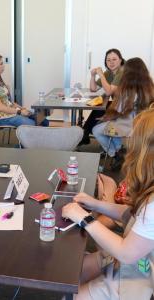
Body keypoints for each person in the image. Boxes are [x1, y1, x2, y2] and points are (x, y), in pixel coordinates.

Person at [62, 108, 154, 300]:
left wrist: (84, 219)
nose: (129, 149)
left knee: (72, 292)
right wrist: (97, 204)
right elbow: (131, 214)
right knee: (72, 272)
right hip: (136, 262)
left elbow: (126, 253)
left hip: (138, 278)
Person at [92, 57, 154, 168]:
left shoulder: (127, 90)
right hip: (144, 126)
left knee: (96, 129)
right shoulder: (150, 87)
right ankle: (120, 150)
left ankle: (114, 153)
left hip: (127, 126)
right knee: (111, 127)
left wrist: (106, 117)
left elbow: (119, 111)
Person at [0, 53, 48, 127]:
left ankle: (42, 137)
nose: (4, 66)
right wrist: (20, 112)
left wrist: (23, 109)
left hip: (10, 113)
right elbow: (0, 107)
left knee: (43, 120)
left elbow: (10, 102)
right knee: (32, 124)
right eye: (1, 64)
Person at [80, 49, 125, 145]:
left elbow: (108, 91)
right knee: (99, 108)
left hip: (126, 108)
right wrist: (92, 76)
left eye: (114, 59)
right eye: (108, 60)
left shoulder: (122, 72)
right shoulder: (109, 73)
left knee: (100, 109)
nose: (111, 62)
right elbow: (93, 88)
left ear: (120, 60)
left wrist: (100, 74)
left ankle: (85, 133)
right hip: (118, 105)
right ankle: (85, 133)